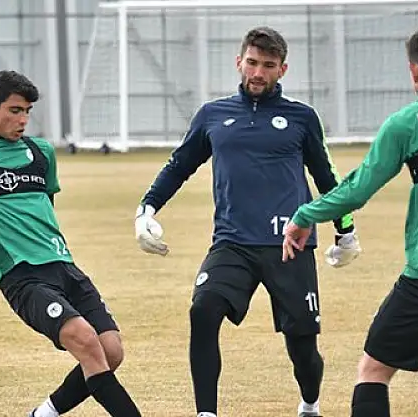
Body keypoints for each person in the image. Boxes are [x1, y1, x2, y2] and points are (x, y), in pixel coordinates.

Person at [135, 26, 361, 417]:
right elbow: (179, 166)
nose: (258, 73)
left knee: (303, 349)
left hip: (290, 244)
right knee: (203, 310)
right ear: (239, 62)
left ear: (282, 69)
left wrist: (346, 231)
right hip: (233, 243)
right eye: (252, 63)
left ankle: (310, 403)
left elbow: (326, 177)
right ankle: (206, 413)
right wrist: (147, 209)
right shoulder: (212, 115)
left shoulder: (302, 118)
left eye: (268, 65)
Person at [283, 26, 418, 417]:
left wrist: (305, 215)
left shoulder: (405, 123)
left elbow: (356, 190)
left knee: (373, 372)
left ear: (414, 71)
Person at [0, 70, 143, 417]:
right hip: (22, 276)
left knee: (111, 351)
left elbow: (46, 208)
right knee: (86, 341)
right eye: (15, 110)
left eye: (27, 111)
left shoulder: (42, 152)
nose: (23, 119)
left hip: (64, 267)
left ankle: (42, 414)